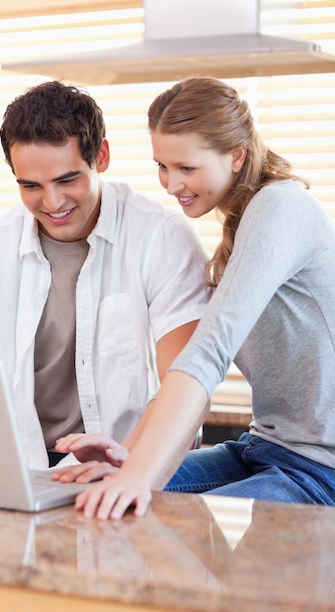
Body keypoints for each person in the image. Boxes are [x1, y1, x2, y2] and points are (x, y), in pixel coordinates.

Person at [53, 75, 335, 519]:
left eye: (187, 168)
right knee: (93, 497)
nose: (170, 184)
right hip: (260, 447)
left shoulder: (281, 208)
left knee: (149, 519)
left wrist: (139, 476)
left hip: (321, 470)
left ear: (237, 155)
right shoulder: (243, 225)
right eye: (162, 166)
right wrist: (127, 457)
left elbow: (206, 355)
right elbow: (185, 371)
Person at [0, 80, 210, 470]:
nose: (52, 202)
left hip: (123, 464)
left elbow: (186, 383)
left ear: (102, 156)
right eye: (30, 186)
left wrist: (126, 465)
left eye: (66, 180)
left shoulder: (161, 239)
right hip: (14, 468)